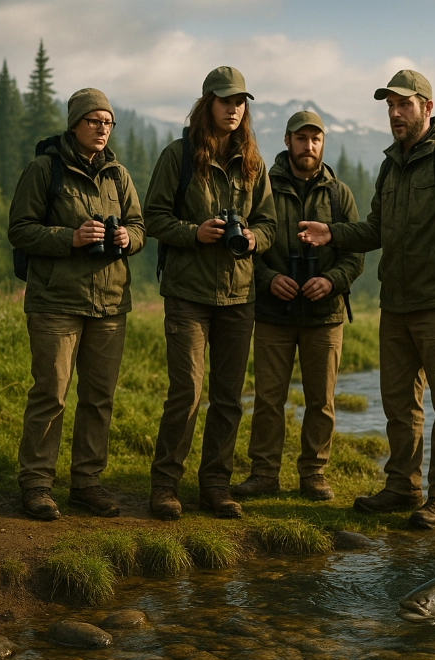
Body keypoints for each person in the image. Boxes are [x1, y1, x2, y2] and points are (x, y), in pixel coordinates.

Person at [298, 70, 435, 528]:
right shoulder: (390, 165)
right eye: (390, 106)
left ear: (427, 105)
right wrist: (333, 233)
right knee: (399, 404)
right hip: (395, 303)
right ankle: (402, 486)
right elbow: (376, 230)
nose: (395, 113)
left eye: (404, 105)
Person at [145, 66, 276, 520]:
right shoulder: (178, 157)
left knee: (228, 398)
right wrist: (194, 232)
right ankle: (165, 486)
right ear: (207, 104)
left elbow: (270, 224)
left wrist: (257, 238)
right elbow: (154, 218)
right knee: (187, 391)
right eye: (226, 101)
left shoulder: (254, 163)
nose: (235, 109)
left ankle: (216, 486)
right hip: (187, 293)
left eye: (241, 102)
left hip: (239, 297)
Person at [8, 88, 146, 520]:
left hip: (109, 304)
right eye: (94, 121)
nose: (102, 128)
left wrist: (128, 238)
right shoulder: (44, 169)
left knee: (99, 397)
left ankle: (87, 483)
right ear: (75, 124)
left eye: (108, 122)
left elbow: (140, 225)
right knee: (51, 393)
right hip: (55, 303)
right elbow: (20, 229)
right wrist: (70, 237)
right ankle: (36, 484)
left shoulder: (119, 175)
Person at [231, 111, 364, 502]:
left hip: (325, 315)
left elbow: (354, 254)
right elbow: (246, 245)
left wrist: (332, 280)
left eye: (316, 139)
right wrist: (270, 278)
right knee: (269, 399)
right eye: (301, 138)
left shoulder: (339, 194)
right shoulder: (262, 185)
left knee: (321, 401)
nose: (309, 146)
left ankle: (314, 474)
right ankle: (263, 473)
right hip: (273, 312)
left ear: (323, 143)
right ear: (287, 140)